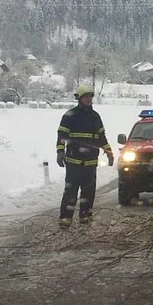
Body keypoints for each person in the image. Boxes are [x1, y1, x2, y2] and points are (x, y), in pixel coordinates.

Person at [56, 84, 114, 227]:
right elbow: (61, 135)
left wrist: (109, 152)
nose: (89, 99)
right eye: (86, 97)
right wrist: (60, 151)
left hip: (90, 163)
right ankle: (65, 219)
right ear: (79, 98)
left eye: (90, 97)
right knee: (70, 192)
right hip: (73, 162)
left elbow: (101, 137)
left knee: (88, 193)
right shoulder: (70, 116)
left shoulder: (95, 117)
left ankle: (85, 217)